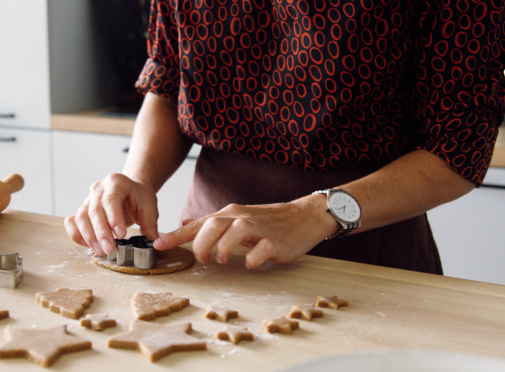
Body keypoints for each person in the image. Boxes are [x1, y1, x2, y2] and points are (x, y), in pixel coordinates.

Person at [65, 0, 505, 274]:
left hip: (367, 251)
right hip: (211, 251)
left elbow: (457, 148)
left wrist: (315, 211)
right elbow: (169, 84)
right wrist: (138, 178)